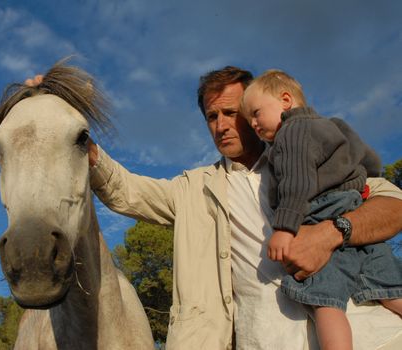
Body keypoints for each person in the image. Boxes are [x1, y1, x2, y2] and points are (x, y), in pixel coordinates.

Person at [25, 67, 402, 349]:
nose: (221, 125)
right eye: (211, 116)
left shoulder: (310, 153)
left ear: (254, 112)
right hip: (261, 338)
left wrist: (330, 233)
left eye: (231, 112)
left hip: (357, 328)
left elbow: (393, 205)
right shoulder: (193, 188)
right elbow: (125, 190)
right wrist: (62, 118)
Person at [240, 69, 402, 349]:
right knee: (390, 289)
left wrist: (284, 228)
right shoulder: (335, 124)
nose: (253, 124)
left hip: (319, 214)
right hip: (354, 208)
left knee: (325, 302)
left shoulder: (290, 133)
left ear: (286, 101)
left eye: (255, 113)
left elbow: (297, 182)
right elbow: (369, 160)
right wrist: (359, 185)